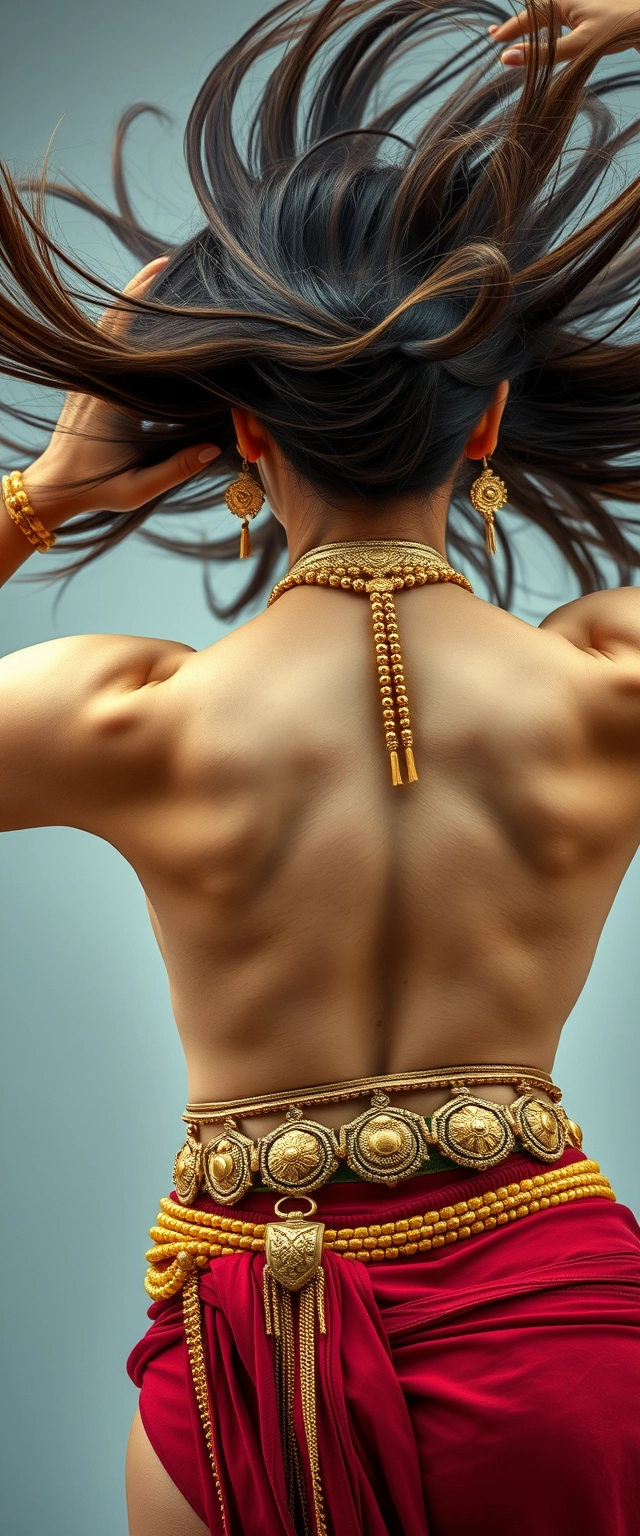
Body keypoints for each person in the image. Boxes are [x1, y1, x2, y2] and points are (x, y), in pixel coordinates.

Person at [2, 1, 640, 1532]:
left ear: (236, 433)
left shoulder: (129, 719)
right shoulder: (609, 685)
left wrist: (43, 495)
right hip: (558, 1338)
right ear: (488, 418)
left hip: (242, 1357)